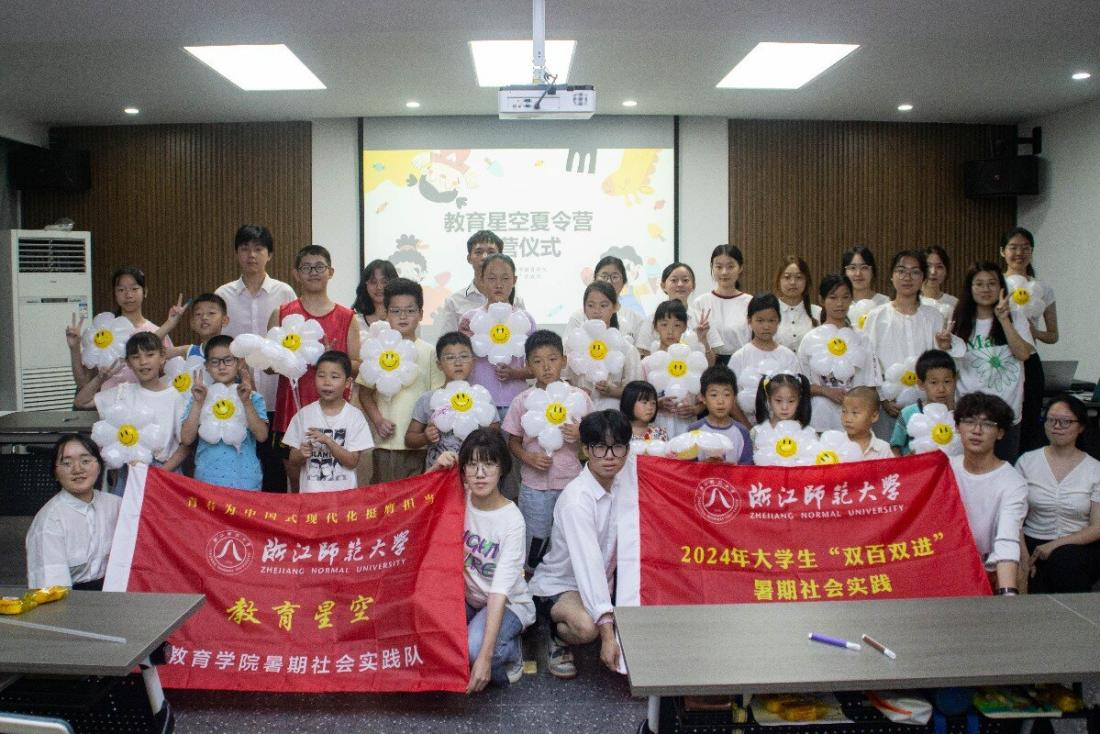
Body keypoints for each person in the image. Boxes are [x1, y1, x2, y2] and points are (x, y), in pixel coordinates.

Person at [528, 409, 633, 679]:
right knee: (588, 628)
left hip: (604, 580)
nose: (609, 456)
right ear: (585, 449)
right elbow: (589, 566)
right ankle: (555, 633)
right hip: (562, 584)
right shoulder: (577, 500)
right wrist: (607, 634)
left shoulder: (626, 481)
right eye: (599, 448)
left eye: (618, 447)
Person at [430, 429, 534, 689]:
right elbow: (422, 501)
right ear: (463, 470)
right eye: (472, 464)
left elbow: (499, 591)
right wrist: (435, 469)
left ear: (502, 469)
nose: (480, 473)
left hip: (508, 602)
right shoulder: (460, 498)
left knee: (475, 652)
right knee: (431, 633)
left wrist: (486, 658)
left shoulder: (512, 521)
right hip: (468, 597)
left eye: (489, 464)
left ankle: (511, 650)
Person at [270, 245, 360, 490]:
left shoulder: (347, 317)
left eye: (319, 267)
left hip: (334, 413)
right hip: (291, 409)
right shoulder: (282, 314)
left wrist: (330, 357)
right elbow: (268, 365)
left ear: (331, 272)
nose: (313, 272)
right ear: (296, 274)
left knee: (333, 480)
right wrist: (284, 356)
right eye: (306, 267)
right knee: (296, 481)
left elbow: (357, 366)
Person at [215, 224, 296, 492]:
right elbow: (216, 344)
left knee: (274, 470)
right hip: (236, 396)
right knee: (239, 468)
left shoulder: (284, 293)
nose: (251, 255)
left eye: (258, 249)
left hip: (275, 394)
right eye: (245, 249)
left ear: (269, 254)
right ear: (236, 253)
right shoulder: (223, 295)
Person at [502, 330, 593, 570]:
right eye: (538, 361)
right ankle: (533, 584)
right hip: (534, 486)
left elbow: (595, 440)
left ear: (564, 360)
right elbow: (512, 442)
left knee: (569, 538)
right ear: (528, 365)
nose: (546, 367)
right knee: (535, 540)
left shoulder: (579, 398)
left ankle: (565, 584)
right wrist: (527, 457)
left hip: (571, 482)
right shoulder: (522, 400)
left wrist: (582, 432)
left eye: (552, 359)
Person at [75, 331, 189, 494]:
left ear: (162, 357)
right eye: (135, 357)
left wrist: (159, 473)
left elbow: (186, 445)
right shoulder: (123, 392)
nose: (143, 362)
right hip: (128, 473)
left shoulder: (176, 397)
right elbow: (81, 402)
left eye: (150, 355)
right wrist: (100, 378)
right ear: (128, 363)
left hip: (164, 471)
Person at [357, 278, 444, 482]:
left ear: (421, 314)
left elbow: (437, 397)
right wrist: (378, 420)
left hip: (419, 445)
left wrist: (427, 432)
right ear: (385, 313)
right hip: (386, 444)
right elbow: (365, 393)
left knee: (417, 497)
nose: (403, 316)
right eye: (395, 311)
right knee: (385, 496)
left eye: (410, 310)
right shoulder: (377, 349)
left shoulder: (430, 352)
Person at [862, 250, 956, 436]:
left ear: (923, 278)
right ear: (892, 276)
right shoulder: (876, 316)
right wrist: (883, 398)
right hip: (887, 406)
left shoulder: (934, 317)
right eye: (901, 271)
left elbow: (941, 362)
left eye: (915, 272)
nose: (907, 277)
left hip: (927, 407)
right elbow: (869, 363)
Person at [951, 262, 1035, 462]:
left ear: (1001, 287)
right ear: (970, 288)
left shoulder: (1016, 317)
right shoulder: (959, 320)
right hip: (969, 414)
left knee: (1004, 469)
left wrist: (1004, 320)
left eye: (991, 283)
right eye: (979, 284)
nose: (985, 289)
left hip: (1006, 414)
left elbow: (1023, 354)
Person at [1018, 395, 1100, 593]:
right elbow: (1014, 517)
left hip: (1078, 544)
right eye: (1051, 420)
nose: (1056, 426)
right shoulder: (1026, 462)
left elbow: (1097, 527)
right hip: (1031, 541)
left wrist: (1054, 545)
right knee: (1031, 579)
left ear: (1081, 427)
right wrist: (1023, 557)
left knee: (1066, 562)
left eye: (1065, 422)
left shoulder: (1094, 468)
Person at [949, 392, 1028, 595]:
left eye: (987, 424)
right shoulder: (945, 469)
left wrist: (1007, 593)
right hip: (949, 566)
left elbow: (1007, 539)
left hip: (990, 570)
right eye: (969, 422)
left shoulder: (1012, 482)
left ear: (1000, 432)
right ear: (957, 427)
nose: (977, 430)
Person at [25, 434, 122, 590]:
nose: (78, 469)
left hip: (114, 592)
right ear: (55, 473)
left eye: (85, 461)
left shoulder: (116, 505)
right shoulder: (50, 521)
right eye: (67, 463)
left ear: (99, 467)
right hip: (71, 598)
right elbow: (52, 588)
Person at [179, 335, 269, 490]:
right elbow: (186, 439)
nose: (221, 366)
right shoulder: (199, 396)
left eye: (228, 360)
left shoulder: (253, 397)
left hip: (245, 481)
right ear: (206, 366)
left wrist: (246, 402)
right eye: (215, 362)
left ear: (239, 362)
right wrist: (198, 403)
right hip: (206, 480)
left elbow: (262, 436)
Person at [65, 266, 172, 392]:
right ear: (115, 294)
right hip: (108, 402)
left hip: (143, 403)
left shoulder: (157, 332)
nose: (128, 295)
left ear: (145, 291)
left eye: (134, 289)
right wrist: (74, 348)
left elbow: (169, 376)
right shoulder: (102, 332)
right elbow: (83, 383)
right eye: (121, 290)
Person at [1001, 227, 1059, 454]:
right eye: (1013, 248)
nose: (1019, 253)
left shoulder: (1043, 288)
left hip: (1030, 361)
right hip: (1002, 360)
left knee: (1030, 421)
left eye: (1025, 248)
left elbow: (1053, 335)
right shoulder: (995, 284)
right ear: (1002, 251)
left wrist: (1034, 332)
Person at [798, 274, 880, 431]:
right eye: (833, 297)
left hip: (857, 416)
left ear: (851, 299)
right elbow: (801, 383)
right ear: (821, 300)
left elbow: (871, 384)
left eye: (845, 297)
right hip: (821, 414)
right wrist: (825, 391)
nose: (840, 303)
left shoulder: (862, 338)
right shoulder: (810, 339)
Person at [283, 351, 373, 493]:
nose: (326, 382)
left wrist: (328, 441)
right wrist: (301, 453)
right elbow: (293, 459)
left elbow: (352, 462)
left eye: (334, 377)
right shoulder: (303, 415)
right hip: (311, 496)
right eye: (321, 376)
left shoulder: (355, 417)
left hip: (343, 497)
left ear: (348, 383)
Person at [406, 332, 499, 470]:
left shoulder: (481, 396)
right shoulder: (428, 398)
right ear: (439, 364)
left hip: (474, 471)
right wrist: (425, 437)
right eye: (450, 358)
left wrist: (480, 429)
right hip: (439, 471)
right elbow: (410, 438)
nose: (458, 363)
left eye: (464, 356)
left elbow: (496, 430)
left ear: (473, 362)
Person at [564, 280, 642, 411]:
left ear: (615, 307)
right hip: (579, 414)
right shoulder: (572, 345)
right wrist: (576, 392)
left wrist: (613, 391)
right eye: (591, 305)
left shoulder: (626, 348)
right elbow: (563, 380)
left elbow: (637, 391)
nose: (597, 311)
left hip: (613, 415)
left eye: (603, 305)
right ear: (584, 308)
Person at [728, 293, 801, 426]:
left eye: (771, 320)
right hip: (748, 426)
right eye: (760, 320)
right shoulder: (739, 357)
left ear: (779, 321)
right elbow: (730, 399)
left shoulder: (788, 356)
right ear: (749, 320)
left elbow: (798, 395)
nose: (766, 326)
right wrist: (748, 429)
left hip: (783, 428)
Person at [437, 230, 525, 334]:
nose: (485, 257)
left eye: (491, 252)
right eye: (478, 252)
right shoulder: (454, 302)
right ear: (469, 258)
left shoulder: (516, 301)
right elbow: (446, 341)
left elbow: (525, 336)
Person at [643, 300, 705, 437]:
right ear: (655, 326)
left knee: (686, 451)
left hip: (687, 424)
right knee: (659, 451)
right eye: (664, 325)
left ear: (685, 327)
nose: (670, 331)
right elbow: (637, 399)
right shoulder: (647, 363)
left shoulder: (693, 362)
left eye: (677, 325)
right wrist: (657, 404)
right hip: (656, 425)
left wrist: (695, 409)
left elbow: (705, 400)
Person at [635, 262, 721, 357]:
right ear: (663, 286)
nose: (680, 284)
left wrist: (703, 340)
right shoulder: (651, 320)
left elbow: (712, 362)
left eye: (685, 280)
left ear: (693, 286)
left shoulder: (703, 320)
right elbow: (644, 357)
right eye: (674, 280)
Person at [689, 245, 753, 365]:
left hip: (743, 363)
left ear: (740, 268)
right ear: (712, 268)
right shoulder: (700, 302)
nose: (724, 272)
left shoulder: (750, 302)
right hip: (709, 363)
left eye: (730, 266)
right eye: (718, 267)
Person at [566, 256, 647, 345]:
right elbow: (567, 348)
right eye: (604, 276)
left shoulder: (636, 319)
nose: (609, 281)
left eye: (615, 277)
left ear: (624, 281)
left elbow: (640, 352)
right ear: (595, 279)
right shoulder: (577, 318)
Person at [890, 349, 958, 455]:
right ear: (921, 384)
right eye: (933, 382)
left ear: (955, 380)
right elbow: (894, 447)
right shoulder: (908, 414)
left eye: (947, 381)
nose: (941, 389)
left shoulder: (959, 415)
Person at [687, 365, 753, 464]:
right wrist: (705, 465)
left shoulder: (742, 432)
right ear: (703, 398)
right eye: (714, 395)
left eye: (726, 395)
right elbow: (687, 468)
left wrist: (730, 468)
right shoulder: (694, 430)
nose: (720, 401)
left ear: (734, 398)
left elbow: (748, 468)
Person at [155, 292, 230, 359]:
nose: (204, 317)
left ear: (224, 320)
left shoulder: (233, 351)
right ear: (192, 323)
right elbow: (151, 351)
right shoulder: (187, 351)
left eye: (211, 313)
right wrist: (170, 323)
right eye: (198, 314)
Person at [773, 255, 821, 351]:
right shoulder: (769, 312)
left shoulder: (818, 313)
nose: (793, 282)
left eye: (799, 277)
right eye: (787, 277)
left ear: (806, 281)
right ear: (778, 281)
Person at [753, 372, 812, 438]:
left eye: (791, 401)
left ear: (799, 400)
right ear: (769, 400)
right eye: (778, 400)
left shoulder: (807, 433)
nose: (784, 407)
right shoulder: (758, 432)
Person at [842, 386, 893, 459]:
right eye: (844, 411)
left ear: (874, 416)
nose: (847, 419)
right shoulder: (835, 444)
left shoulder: (883, 448)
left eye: (855, 413)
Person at [352, 258, 399, 330]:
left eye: (385, 282)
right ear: (365, 286)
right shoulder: (355, 322)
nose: (379, 287)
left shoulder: (405, 319)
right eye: (373, 282)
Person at [921, 245, 958, 320]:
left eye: (939, 267)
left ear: (946, 271)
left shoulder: (954, 303)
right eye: (928, 266)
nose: (933, 272)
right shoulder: (910, 301)